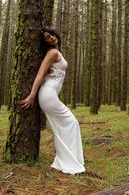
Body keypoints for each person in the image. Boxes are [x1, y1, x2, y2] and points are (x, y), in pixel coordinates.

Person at [20, 28, 85, 175]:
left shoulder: (56, 53)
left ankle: (66, 160)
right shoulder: (52, 53)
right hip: (47, 95)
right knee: (72, 123)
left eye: (52, 35)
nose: (52, 38)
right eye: (48, 38)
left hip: (51, 95)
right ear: (45, 42)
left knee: (62, 128)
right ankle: (70, 161)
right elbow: (40, 74)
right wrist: (32, 95)